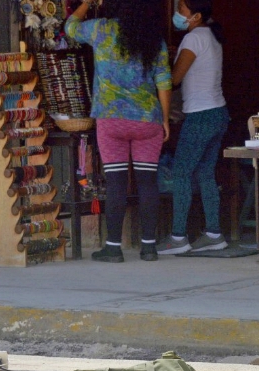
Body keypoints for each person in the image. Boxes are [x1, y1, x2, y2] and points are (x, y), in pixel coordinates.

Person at [66, 0, 172, 263]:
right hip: (148, 119)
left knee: (115, 182)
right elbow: (164, 81)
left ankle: (113, 247)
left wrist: (87, 3)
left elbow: (70, 27)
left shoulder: (100, 30)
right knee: (148, 181)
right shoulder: (153, 40)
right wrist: (165, 119)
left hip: (111, 119)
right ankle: (148, 247)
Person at [157, 0, 231, 255]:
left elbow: (174, 79)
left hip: (200, 115)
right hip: (218, 113)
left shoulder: (193, 39)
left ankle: (178, 237)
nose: (178, 14)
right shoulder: (210, 34)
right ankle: (213, 233)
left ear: (196, 15)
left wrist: (161, 60)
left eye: (182, 11)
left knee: (181, 173)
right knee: (205, 173)